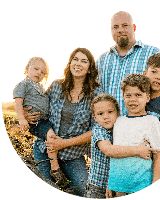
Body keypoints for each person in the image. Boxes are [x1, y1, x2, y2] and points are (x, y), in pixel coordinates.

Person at [24, 48, 101, 196]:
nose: (78, 63)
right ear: (70, 63)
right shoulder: (56, 86)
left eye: (84, 61)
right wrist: (28, 115)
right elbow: (40, 114)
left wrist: (64, 143)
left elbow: (96, 130)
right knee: (44, 185)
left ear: (90, 68)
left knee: (85, 190)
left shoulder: (96, 94)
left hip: (72, 154)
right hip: (45, 148)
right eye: (75, 59)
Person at [97, 11, 160, 116]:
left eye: (125, 25)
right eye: (115, 27)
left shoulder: (153, 53)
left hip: (144, 128)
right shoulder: (102, 60)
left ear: (134, 27)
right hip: (109, 128)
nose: (120, 30)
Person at [13, 57, 69, 188]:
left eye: (43, 72)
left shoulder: (40, 87)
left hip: (44, 120)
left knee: (51, 136)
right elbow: (18, 102)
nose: (39, 73)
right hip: (37, 122)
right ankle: (55, 169)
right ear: (27, 69)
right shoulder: (24, 84)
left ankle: (55, 165)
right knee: (51, 137)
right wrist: (22, 118)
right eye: (36, 69)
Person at [107, 74, 160, 197]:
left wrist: (155, 184)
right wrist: (110, 184)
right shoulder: (118, 121)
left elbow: (159, 155)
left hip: (141, 186)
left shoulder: (151, 121)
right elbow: (116, 154)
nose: (132, 99)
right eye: (128, 95)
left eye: (138, 95)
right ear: (123, 97)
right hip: (118, 186)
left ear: (147, 97)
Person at [85, 93, 152, 199]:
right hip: (98, 186)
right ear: (95, 117)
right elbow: (109, 150)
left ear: (118, 113)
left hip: (117, 184)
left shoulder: (121, 128)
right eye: (100, 114)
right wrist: (138, 150)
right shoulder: (98, 130)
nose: (106, 117)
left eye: (110, 112)